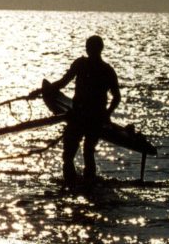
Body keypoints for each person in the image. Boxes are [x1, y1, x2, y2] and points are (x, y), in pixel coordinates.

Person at [44, 35, 121, 187]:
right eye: (88, 47)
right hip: (81, 115)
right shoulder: (85, 65)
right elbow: (63, 83)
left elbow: (116, 97)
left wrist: (106, 114)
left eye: (90, 47)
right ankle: (78, 182)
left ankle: (81, 182)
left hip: (91, 117)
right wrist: (42, 91)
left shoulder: (105, 70)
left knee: (85, 151)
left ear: (97, 49)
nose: (88, 50)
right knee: (75, 152)